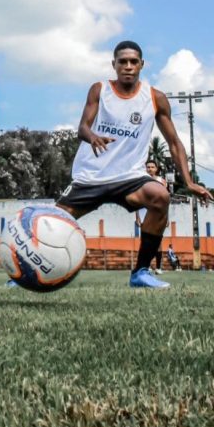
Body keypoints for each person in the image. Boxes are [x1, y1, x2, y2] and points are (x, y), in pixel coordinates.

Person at [56, 41, 211, 289]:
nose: (128, 66)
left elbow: (174, 143)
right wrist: (92, 136)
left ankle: (140, 272)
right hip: (91, 176)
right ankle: (22, 275)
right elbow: (83, 127)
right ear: (114, 65)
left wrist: (189, 181)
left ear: (141, 64)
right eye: (122, 62)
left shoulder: (155, 98)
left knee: (160, 196)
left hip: (129, 177)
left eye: (133, 61)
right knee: (50, 223)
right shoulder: (99, 90)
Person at [134, 160, 168, 274]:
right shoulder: (141, 180)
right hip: (144, 213)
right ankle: (145, 266)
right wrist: (137, 217)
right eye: (148, 167)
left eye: (152, 167)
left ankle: (158, 267)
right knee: (145, 242)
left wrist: (166, 216)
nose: (150, 169)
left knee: (157, 243)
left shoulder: (162, 181)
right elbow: (137, 200)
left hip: (157, 213)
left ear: (156, 169)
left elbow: (165, 201)